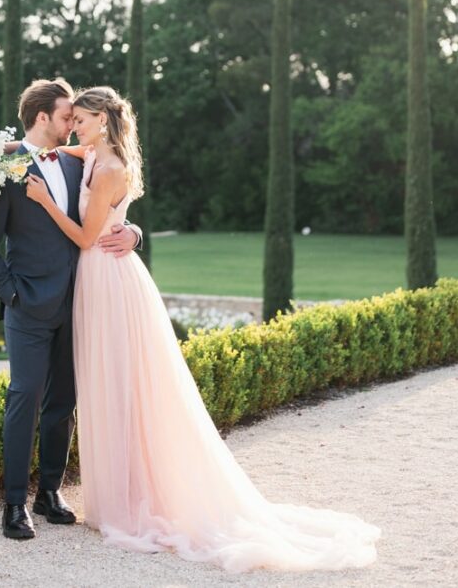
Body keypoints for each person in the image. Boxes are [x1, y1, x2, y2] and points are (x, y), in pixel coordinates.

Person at [24, 85, 381, 573]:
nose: (74, 128)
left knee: (120, 386)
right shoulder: (90, 151)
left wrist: (45, 201)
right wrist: (4, 149)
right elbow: (48, 147)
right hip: (100, 278)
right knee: (105, 385)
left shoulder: (108, 168)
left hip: (107, 279)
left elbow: (88, 237)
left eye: (81, 120)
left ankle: (130, 501)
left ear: (101, 122)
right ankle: (116, 494)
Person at [0, 77, 141, 541]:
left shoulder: (78, 159)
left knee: (63, 403)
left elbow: (107, 206)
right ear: (43, 117)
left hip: (83, 300)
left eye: (76, 117)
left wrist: (135, 233)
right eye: (67, 115)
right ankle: (13, 504)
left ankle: (50, 492)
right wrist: (12, 294)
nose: (73, 123)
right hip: (27, 305)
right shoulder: (1, 169)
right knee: (24, 398)